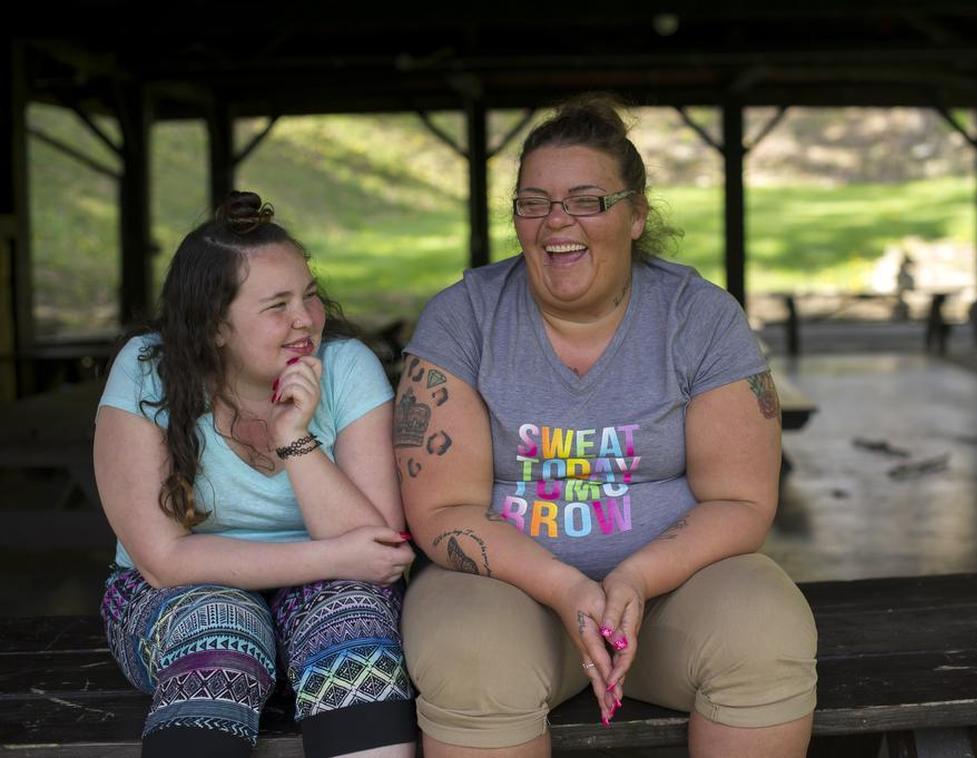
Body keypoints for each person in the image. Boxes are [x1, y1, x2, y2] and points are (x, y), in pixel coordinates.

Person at [395, 95, 817, 758]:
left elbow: (741, 501)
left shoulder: (698, 318)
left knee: (765, 629)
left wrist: (636, 579)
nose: (555, 221)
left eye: (586, 199)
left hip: (668, 599)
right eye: (532, 202)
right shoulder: (463, 319)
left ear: (636, 213)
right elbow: (443, 508)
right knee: (468, 656)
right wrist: (563, 586)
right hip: (509, 598)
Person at [95, 192, 417, 758]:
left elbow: (379, 548)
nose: (306, 320)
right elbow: (163, 560)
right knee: (222, 625)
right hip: (176, 596)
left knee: (353, 617)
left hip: (329, 590)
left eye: (310, 296)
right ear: (215, 326)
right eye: (278, 305)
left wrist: (295, 437)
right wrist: (333, 558)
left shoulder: (346, 366)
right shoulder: (147, 370)